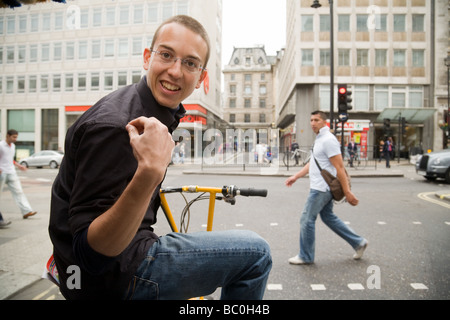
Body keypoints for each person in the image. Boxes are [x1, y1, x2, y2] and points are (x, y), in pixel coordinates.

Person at [49, 15, 271, 300]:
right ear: (147, 58)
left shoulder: (150, 110)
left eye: (190, 63)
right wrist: (149, 173)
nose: (176, 71)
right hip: (115, 277)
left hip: (115, 261)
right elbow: (92, 255)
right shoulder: (116, 127)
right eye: (166, 55)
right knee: (256, 253)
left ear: (201, 77)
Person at [285, 111, 367, 265]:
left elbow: (340, 167)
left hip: (321, 188)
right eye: (311, 120)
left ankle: (306, 256)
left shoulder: (328, 140)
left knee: (306, 219)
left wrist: (347, 192)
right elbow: (313, 162)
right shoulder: (320, 139)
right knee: (328, 217)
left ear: (324, 122)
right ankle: (359, 242)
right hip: (321, 186)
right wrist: (296, 176)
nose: (313, 123)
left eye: (317, 120)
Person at [0, 129, 37, 221]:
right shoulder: (1, 145)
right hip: (1, 172)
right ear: (8, 136)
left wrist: (19, 165)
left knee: (19, 192)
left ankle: (26, 211)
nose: (15, 139)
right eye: (14, 137)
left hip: (11, 172)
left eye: (16, 137)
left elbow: (10, 159)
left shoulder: (13, 146)